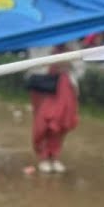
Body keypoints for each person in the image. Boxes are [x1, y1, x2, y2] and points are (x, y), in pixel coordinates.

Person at [28, 45, 82, 174]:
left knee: (61, 121)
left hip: (65, 84)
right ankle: (43, 156)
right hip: (44, 84)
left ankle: (54, 155)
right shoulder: (42, 39)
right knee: (43, 122)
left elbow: (80, 65)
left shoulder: (72, 40)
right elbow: (34, 61)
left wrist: (68, 61)